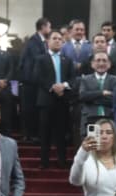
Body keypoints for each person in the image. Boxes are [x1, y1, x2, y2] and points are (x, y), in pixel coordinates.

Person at [36, 31, 77, 169]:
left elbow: (73, 78)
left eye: (60, 39)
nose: (58, 41)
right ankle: (44, 162)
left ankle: (62, 161)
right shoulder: (41, 59)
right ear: (48, 41)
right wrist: (52, 86)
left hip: (63, 99)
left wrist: (64, 85)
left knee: (61, 132)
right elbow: (37, 76)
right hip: (46, 100)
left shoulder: (67, 60)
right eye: (54, 38)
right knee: (45, 133)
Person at [18, 18, 51, 143]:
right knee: (28, 109)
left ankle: (33, 134)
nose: (50, 30)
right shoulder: (34, 41)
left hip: (35, 82)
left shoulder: (41, 41)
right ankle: (28, 135)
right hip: (30, 81)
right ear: (43, 27)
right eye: (49, 27)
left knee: (33, 109)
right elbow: (38, 58)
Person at [77, 51, 116, 135]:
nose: (101, 63)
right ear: (92, 64)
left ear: (109, 64)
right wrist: (102, 93)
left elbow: (115, 99)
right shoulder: (85, 79)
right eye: (98, 60)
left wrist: (92, 98)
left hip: (109, 117)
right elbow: (83, 96)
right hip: (89, 117)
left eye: (104, 60)